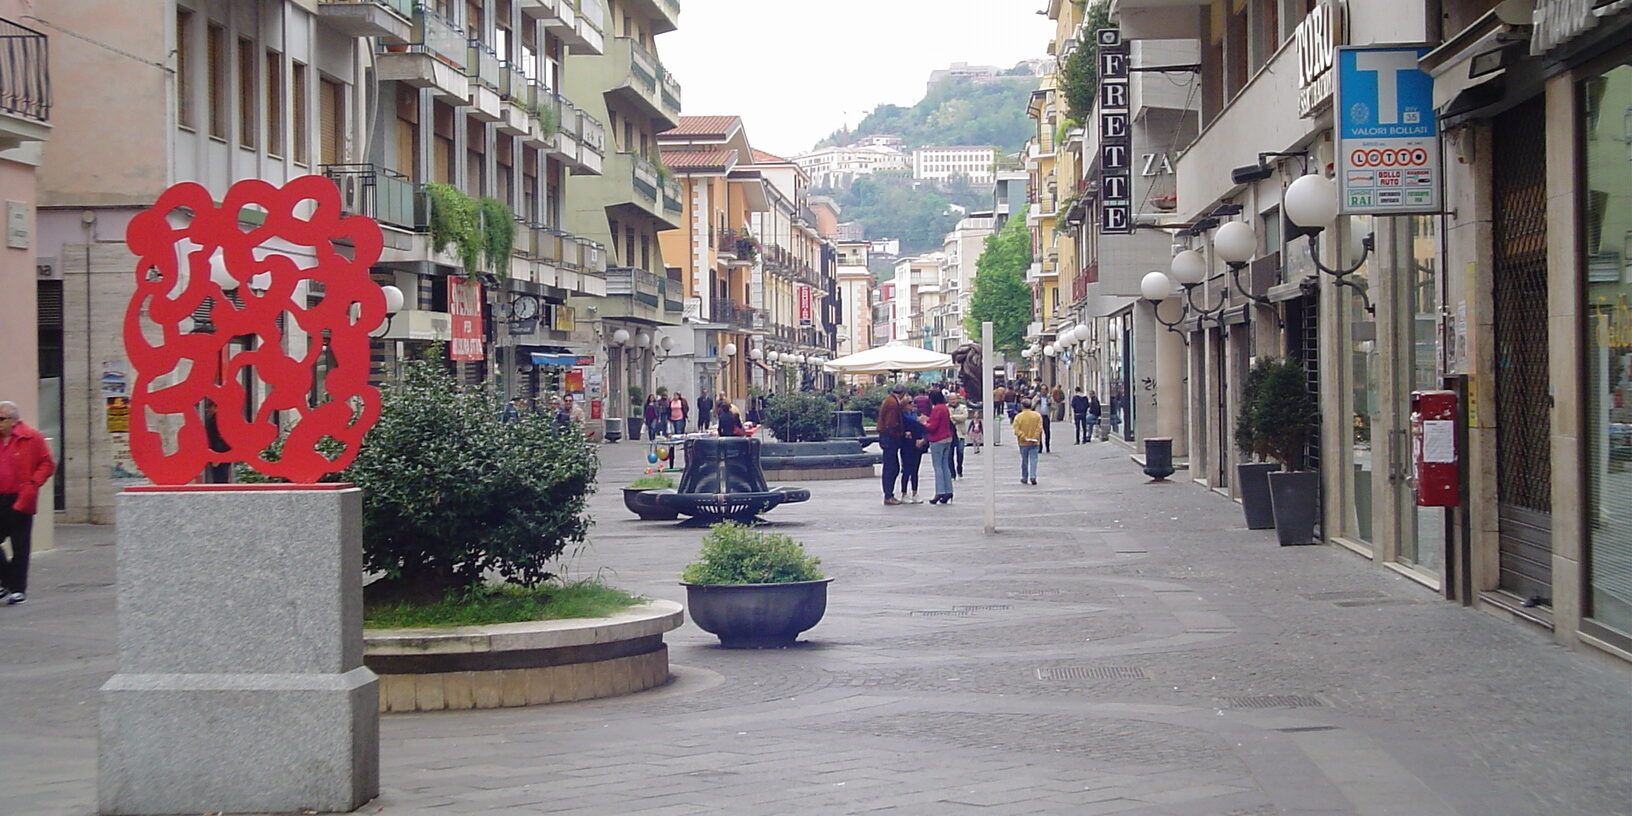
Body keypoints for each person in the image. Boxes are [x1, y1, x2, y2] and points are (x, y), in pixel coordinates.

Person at [0, 401, 55, 605]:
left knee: (20, 545)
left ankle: (17, 589)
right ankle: (7, 580)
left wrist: (33, 484)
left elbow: (47, 463)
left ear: (14, 421)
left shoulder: (32, 437)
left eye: (2, 419)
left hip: (22, 497)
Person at [877, 385, 907, 506]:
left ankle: (889, 494)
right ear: (902, 394)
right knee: (891, 467)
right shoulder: (892, 404)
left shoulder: (890, 400)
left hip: (887, 437)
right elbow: (890, 423)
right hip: (889, 438)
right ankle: (888, 495)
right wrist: (898, 434)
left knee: (892, 466)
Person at [923, 391, 955, 504]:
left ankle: (940, 491)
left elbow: (932, 427)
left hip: (937, 439)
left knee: (938, 467)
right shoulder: (945, 408)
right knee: (945, 465)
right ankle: (949, 491)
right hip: (947, 438)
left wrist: (924, 423)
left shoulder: (937, 409)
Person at [899, 394, 930, 503]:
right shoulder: (902, 416)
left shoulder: (915, 414)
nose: (912, 405)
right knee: (907, 469)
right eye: (909, 403)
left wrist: (923, 439)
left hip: (917, 444)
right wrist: (919, 421)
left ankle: (915, 492)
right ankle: (904, 493)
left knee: (915, 470)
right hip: (907, 445)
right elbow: (912, 425)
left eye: (912, 402)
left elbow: (924, 428)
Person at [1012, 398, 1043, 486]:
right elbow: (1039, 428)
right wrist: (1035, 437)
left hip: (1023, 442)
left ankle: (1024, 477)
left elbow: (1016, 430)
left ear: (1022, 406)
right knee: (1034, 459)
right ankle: (1033, 476)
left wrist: (1024, 437)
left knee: (1024, 460)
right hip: (1034, 442)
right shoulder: (1037, 416)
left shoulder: (1019, 417)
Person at [949, 393, 970, 478]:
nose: (953, 401)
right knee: (949, 454)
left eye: (954, 399)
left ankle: (959, 468)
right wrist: (957, 418)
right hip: (949, 434)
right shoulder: (946, 408)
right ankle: (952, 473)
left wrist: (952, 417)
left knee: (960, 452)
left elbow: (964, 417)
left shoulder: (963, 407)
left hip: (960, 433)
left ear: (957, 399)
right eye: (951, 399)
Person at [1034, 388, 1053, 453]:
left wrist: (1050, 404)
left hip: (1046, 417)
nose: (1043, 391)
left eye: (1045, 390)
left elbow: (1054, 407)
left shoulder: (1049, 398)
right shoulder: (1036, 397)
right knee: (1039, 432)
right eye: (1042, 390)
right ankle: (1040, 447)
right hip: (1038, 417)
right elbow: (1031, 406)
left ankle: (1047, 446)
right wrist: (1036, 402)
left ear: (1047, 391)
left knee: (1047, 432)